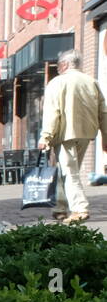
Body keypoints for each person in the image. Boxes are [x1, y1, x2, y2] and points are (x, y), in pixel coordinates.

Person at [38, 49, 107, 223]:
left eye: (59, 65)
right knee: (66, 171)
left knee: (69, 173)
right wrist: (105, 137)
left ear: (64, 64)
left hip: (65, 134)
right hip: (86, 133)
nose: (58, 68)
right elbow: (103, 112)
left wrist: (45, 136)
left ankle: (80, 209)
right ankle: (61, 207)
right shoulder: (92, 82)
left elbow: (52, 113)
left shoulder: (57, 82)